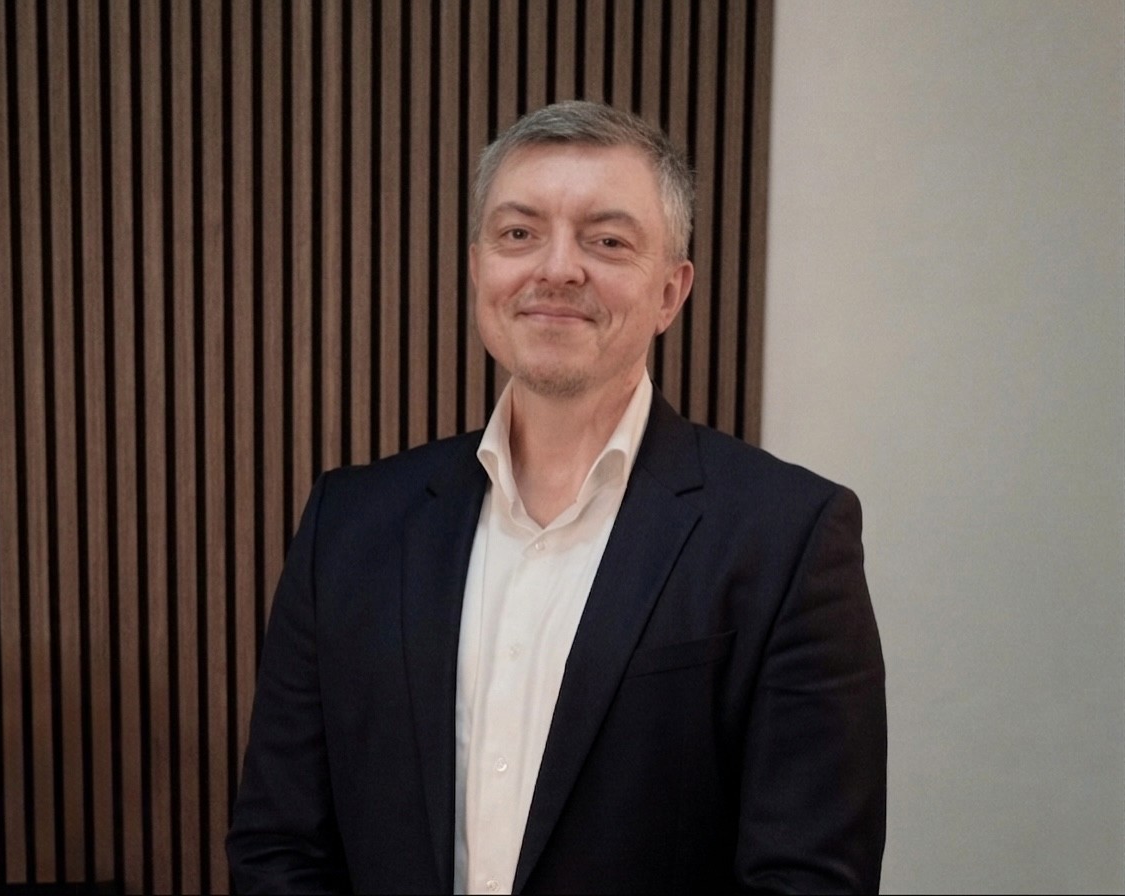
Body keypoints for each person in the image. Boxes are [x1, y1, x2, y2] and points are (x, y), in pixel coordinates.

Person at [226, 100, 886, 894]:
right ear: (478, 270)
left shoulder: (787, 537)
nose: (556, 268)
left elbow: (806, 879)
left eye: (606, 241)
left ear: (671, 292)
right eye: (518, 234)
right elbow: (278, 847)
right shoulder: (350, 525)